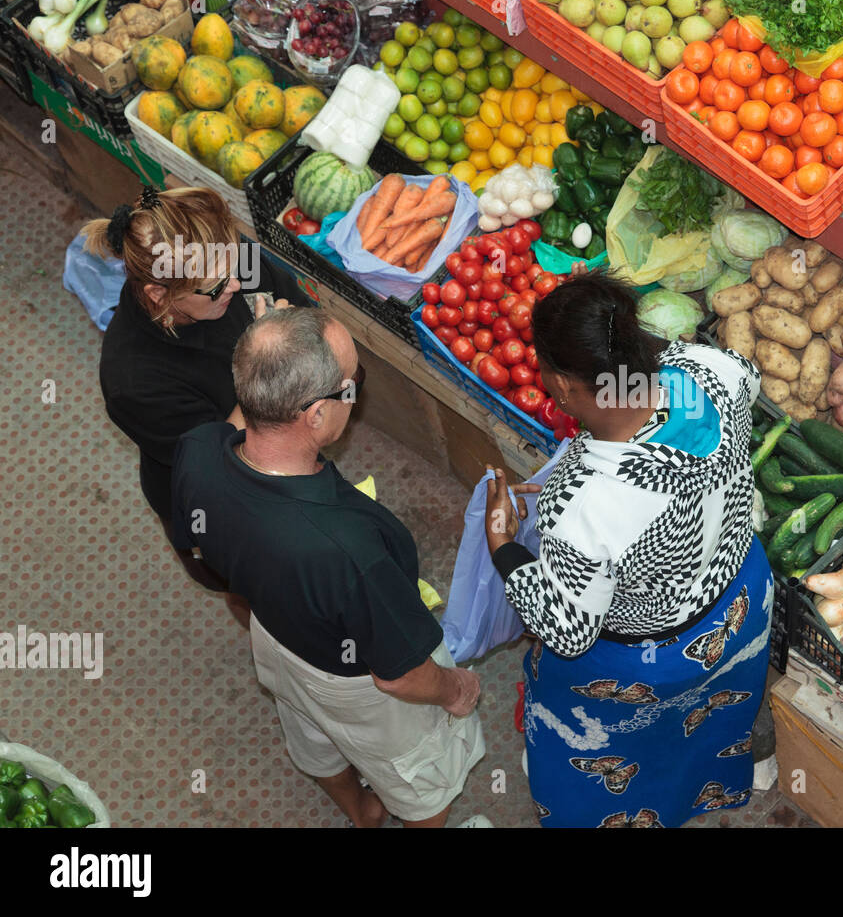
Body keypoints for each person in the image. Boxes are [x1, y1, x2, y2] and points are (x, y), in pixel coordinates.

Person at [170, 308, 485, 828]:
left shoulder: (197, 451)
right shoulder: (348, 549)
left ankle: (361, 812)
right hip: (357, 683)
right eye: (351, 386)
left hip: (274, 642)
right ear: (315, 415)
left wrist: (272, 359)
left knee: (314, 737)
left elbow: (215, 565)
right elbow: (399, 677)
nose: (356, 396)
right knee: (422, 784)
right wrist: (457, 690)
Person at [485, 271, 772, 828]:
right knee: (705, 726)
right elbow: (727, 396)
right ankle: (710, 787)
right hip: (736, 601)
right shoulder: (711, 371)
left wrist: (503, 547)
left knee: (603, 739)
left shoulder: (583, 508)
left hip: (653, 657)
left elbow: (569, 630)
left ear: (563, 388)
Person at [88, 185, 299, 623]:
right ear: (158, 294)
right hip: (212, 497)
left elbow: (295, 307)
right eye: (217, 287)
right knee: (250, 587)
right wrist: (263, 362)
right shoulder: (133, 381)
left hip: (282, 439)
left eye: (233, 262)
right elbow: (221, 461)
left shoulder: (225, 260)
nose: (237, 284)